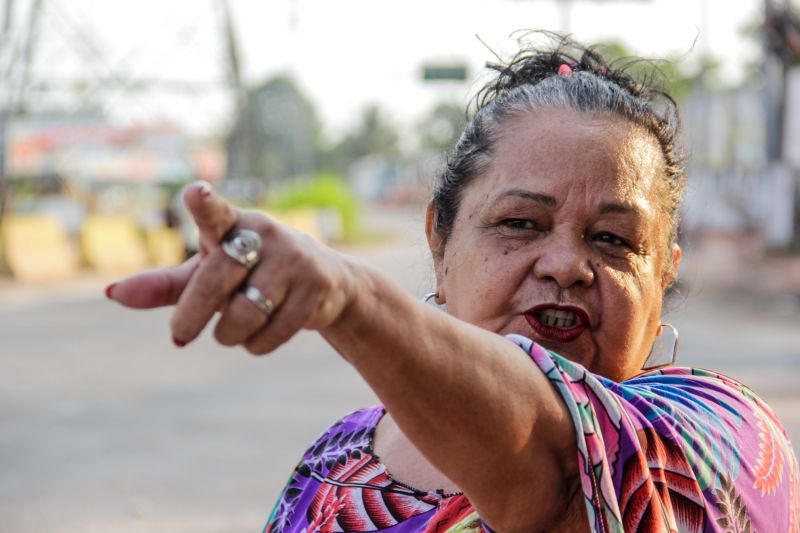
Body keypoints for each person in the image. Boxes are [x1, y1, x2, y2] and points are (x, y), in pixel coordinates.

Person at [107, 35, 800, 532]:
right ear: (440, 240)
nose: (566, 263)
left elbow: (559, 467)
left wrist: (352, 300)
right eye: (522, 223)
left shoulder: (722, 437)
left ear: (663, 277)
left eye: (614, 240)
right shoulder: (336, 461)